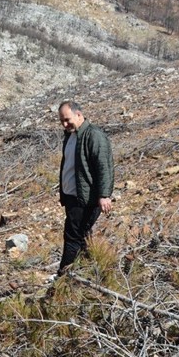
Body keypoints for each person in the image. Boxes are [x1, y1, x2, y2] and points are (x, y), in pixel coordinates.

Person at [56, 100, 114, 272]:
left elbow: (104, 166)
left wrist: (104, 195)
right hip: (72, 197)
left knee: (73, 237)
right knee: (82, 236)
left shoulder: (93, 136)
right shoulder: (71, 136)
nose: (65, 124)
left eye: (67, 119)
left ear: (78, 114)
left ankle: (62, 278)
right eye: (62, 121)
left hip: (85, 198)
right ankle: (90, 271)